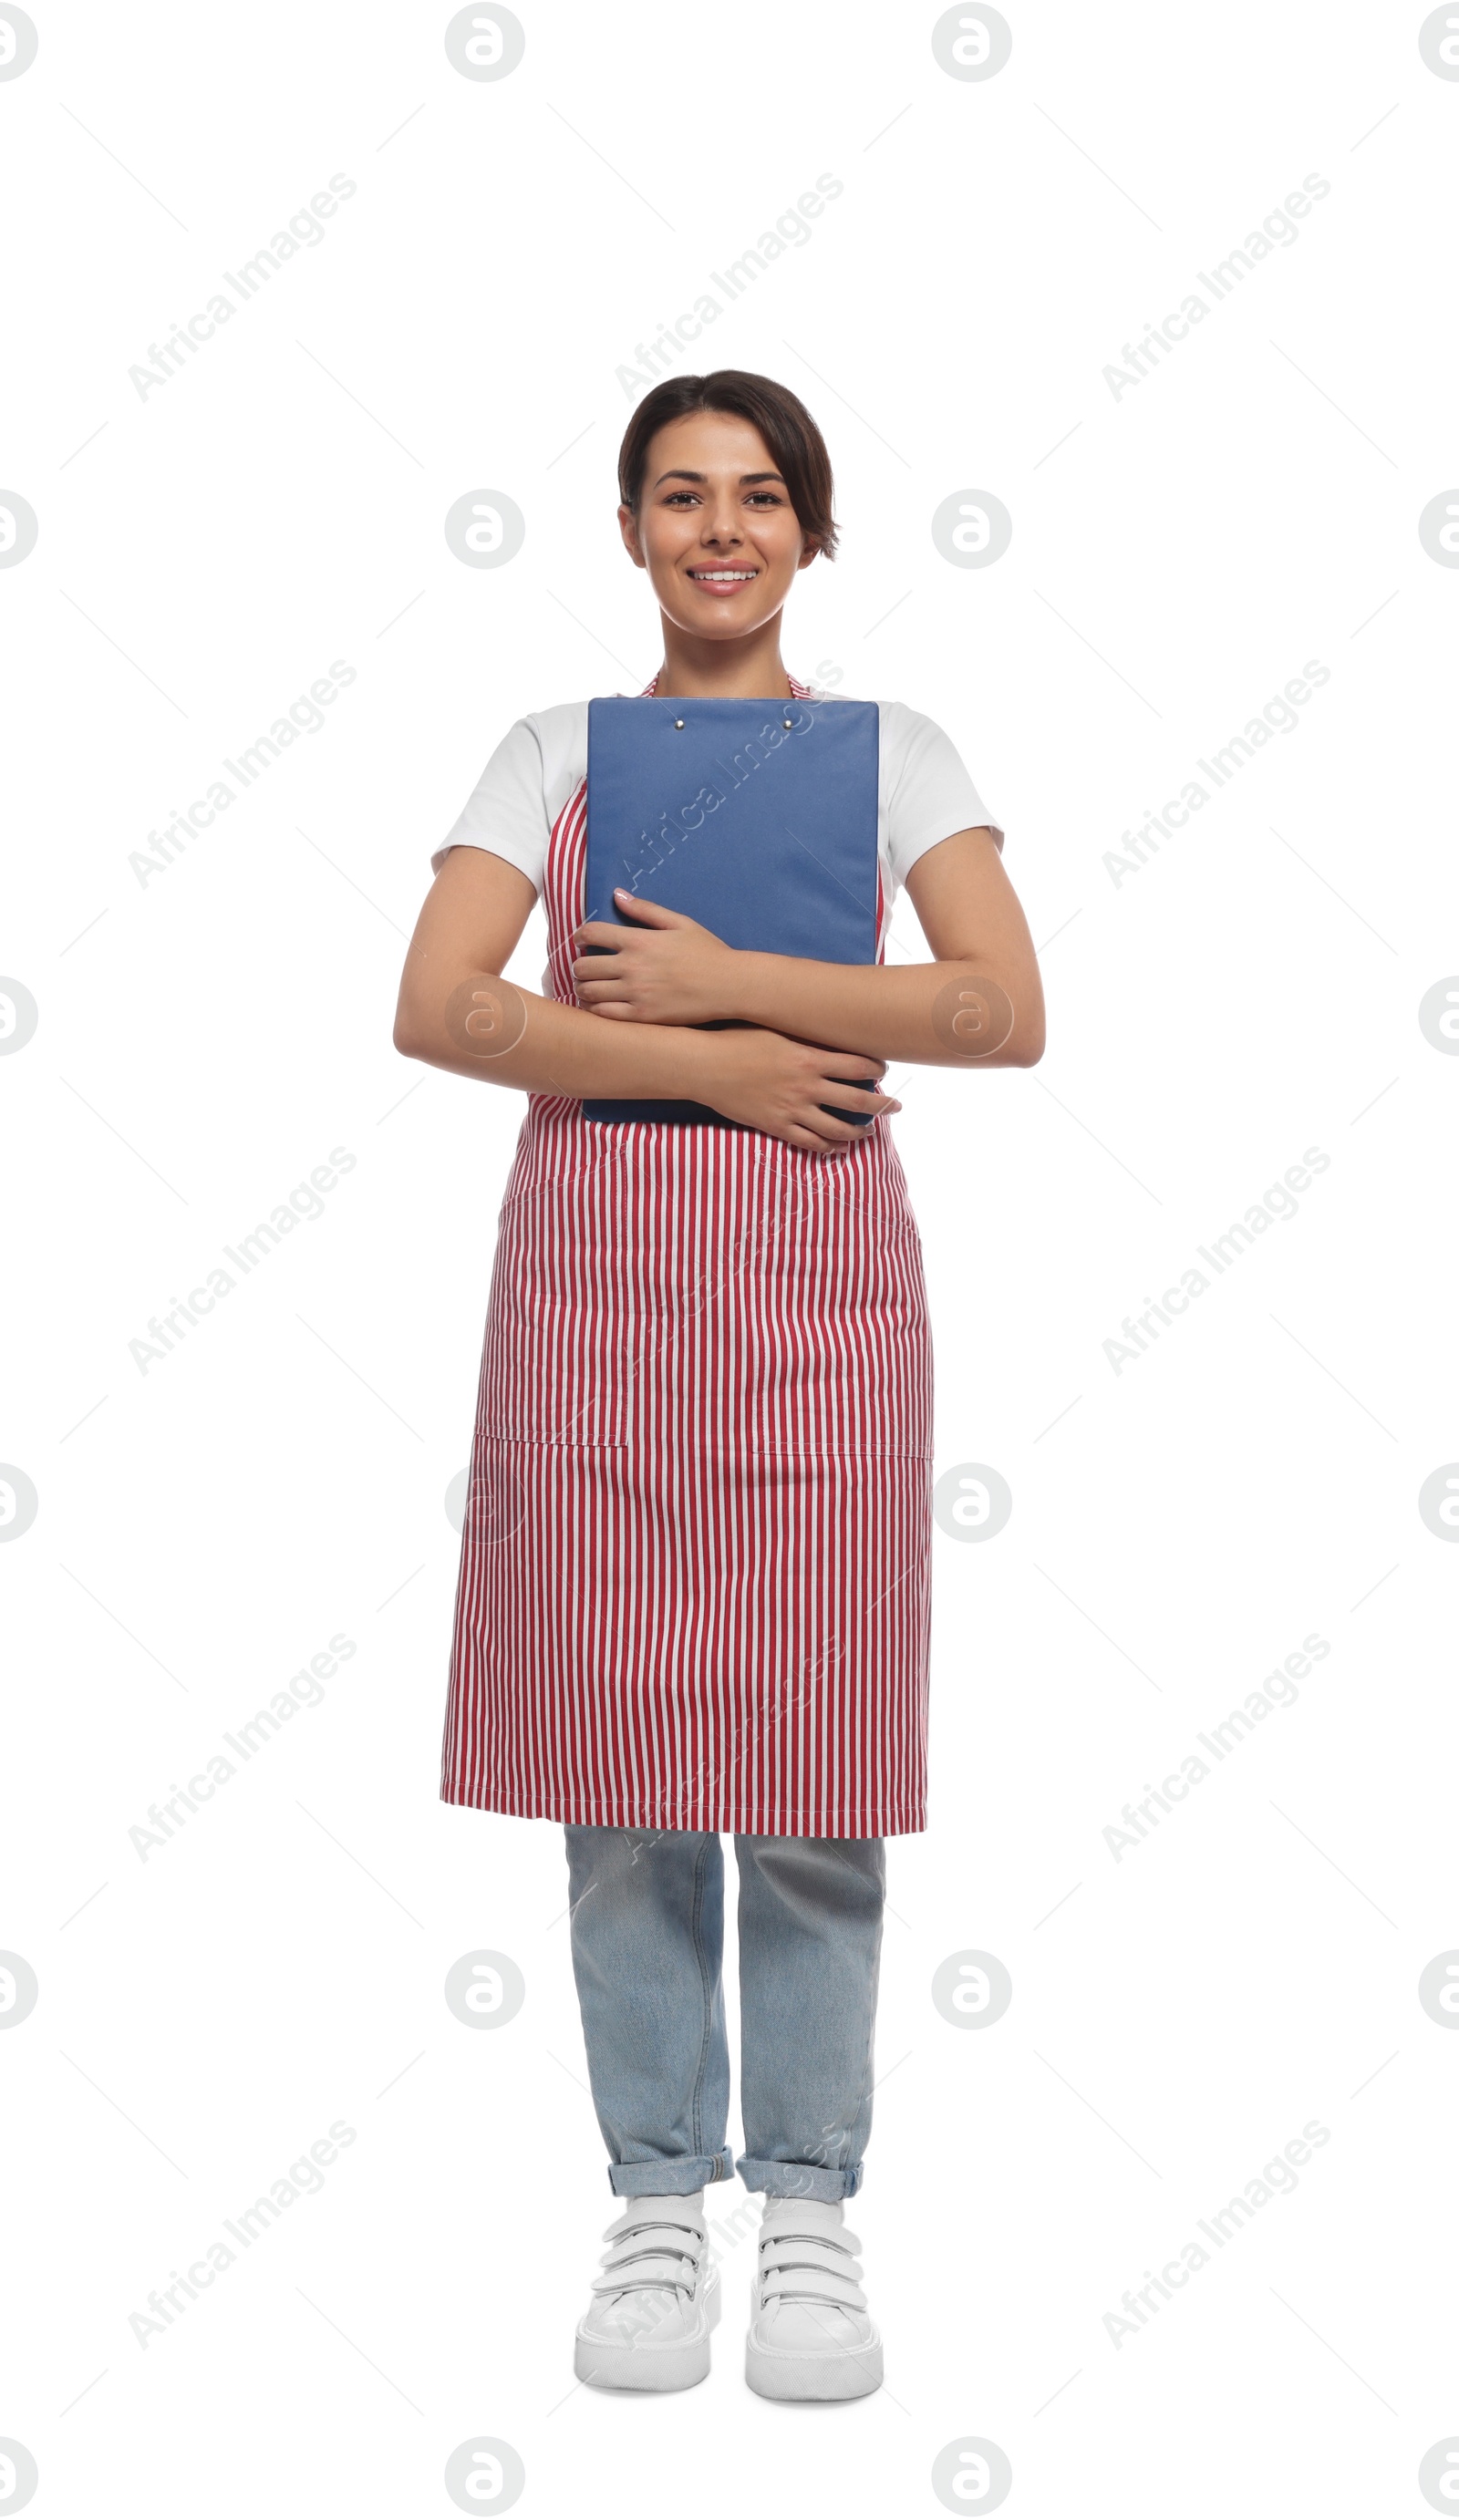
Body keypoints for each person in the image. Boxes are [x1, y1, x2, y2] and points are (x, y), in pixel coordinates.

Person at [393, 369, 1045, 2402]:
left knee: (818, 1759)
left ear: (813, 532)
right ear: (627, 531)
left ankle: (814, 2210)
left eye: (757, 496)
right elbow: (438, 1003)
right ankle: (656, 2193)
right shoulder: (545, 752)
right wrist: (718, 1072)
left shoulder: (889, 756)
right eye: (677, 496)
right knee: (616, 1767)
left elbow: (997, 1007)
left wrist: (722, 987)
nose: (718, 529)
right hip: (595, 1301)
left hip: (817, 1311)